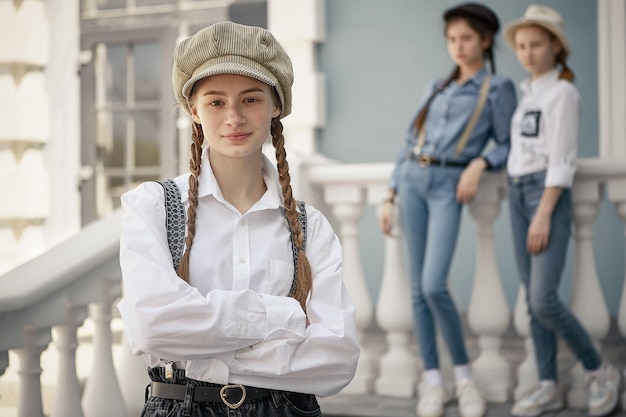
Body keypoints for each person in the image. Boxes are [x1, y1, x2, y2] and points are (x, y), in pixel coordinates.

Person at [117, 21, 360, 417]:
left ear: (276, 105)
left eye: (250, 99)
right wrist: (281, 318)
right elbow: (153, 326)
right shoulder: (153, 207)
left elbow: (336, 360)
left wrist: (204, 346)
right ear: (194, 109)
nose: (234, 117)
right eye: (215, 102)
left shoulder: (309, 226)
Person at [378, 3, 516, 417]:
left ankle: (466, 379)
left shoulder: (497, 88)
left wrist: (480, 163)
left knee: (435, 284)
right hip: (413, 182)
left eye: (466, 38)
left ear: (485, 40)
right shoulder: (436, 87)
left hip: (449, 186)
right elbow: (407, 142)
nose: (458, 45)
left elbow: (508, 143)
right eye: (452, 38)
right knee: (419, 291)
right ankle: (434, 382)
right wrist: (390, 193)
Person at [503, 5, 622, 417]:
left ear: (555, 46)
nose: (529, 52)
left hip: (545, 196)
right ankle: (548, 385)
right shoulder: (528, 94)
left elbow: (562, 159)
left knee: (543, 298)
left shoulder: (563, 94)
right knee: (531, 302)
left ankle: (600, 368)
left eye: (537, 44)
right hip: (518, 194)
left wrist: (543, 212)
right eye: (522, 46)